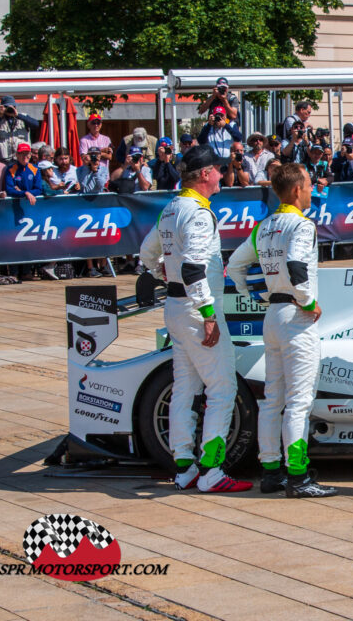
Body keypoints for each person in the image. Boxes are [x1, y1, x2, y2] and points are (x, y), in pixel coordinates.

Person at [139, 145, 252, 493]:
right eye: (217, 169)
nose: (222, 174)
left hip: (175, 307)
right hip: (195, 308)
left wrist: (161, 271)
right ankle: (212, 472)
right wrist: (207, 314)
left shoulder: (171, 207)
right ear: (205, 175)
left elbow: (147, 253)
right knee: (222, 388)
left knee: (185, 389)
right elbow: (192, 268)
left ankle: (185, 467)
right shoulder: (199, 213)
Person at [227, 164, 337, 497]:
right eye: (307, 186)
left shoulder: (264, 226)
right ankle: (299, 477)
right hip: (295, 316)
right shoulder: (302, 225)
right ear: (295, 191)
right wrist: (308, 301)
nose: (311, 191)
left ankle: (271, 472)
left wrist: (254, 295)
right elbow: (296, 266)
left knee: (272, 400)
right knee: (299, 403)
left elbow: (234, 265)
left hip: (273, 314)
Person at [0, 96, 40, 163]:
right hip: (4, 159)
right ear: (2, 107)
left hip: (22, 158)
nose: (10, 109)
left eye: (12, 107)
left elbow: (36, 124)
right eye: (7, 107)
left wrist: (17, 115)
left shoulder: (23, 116)